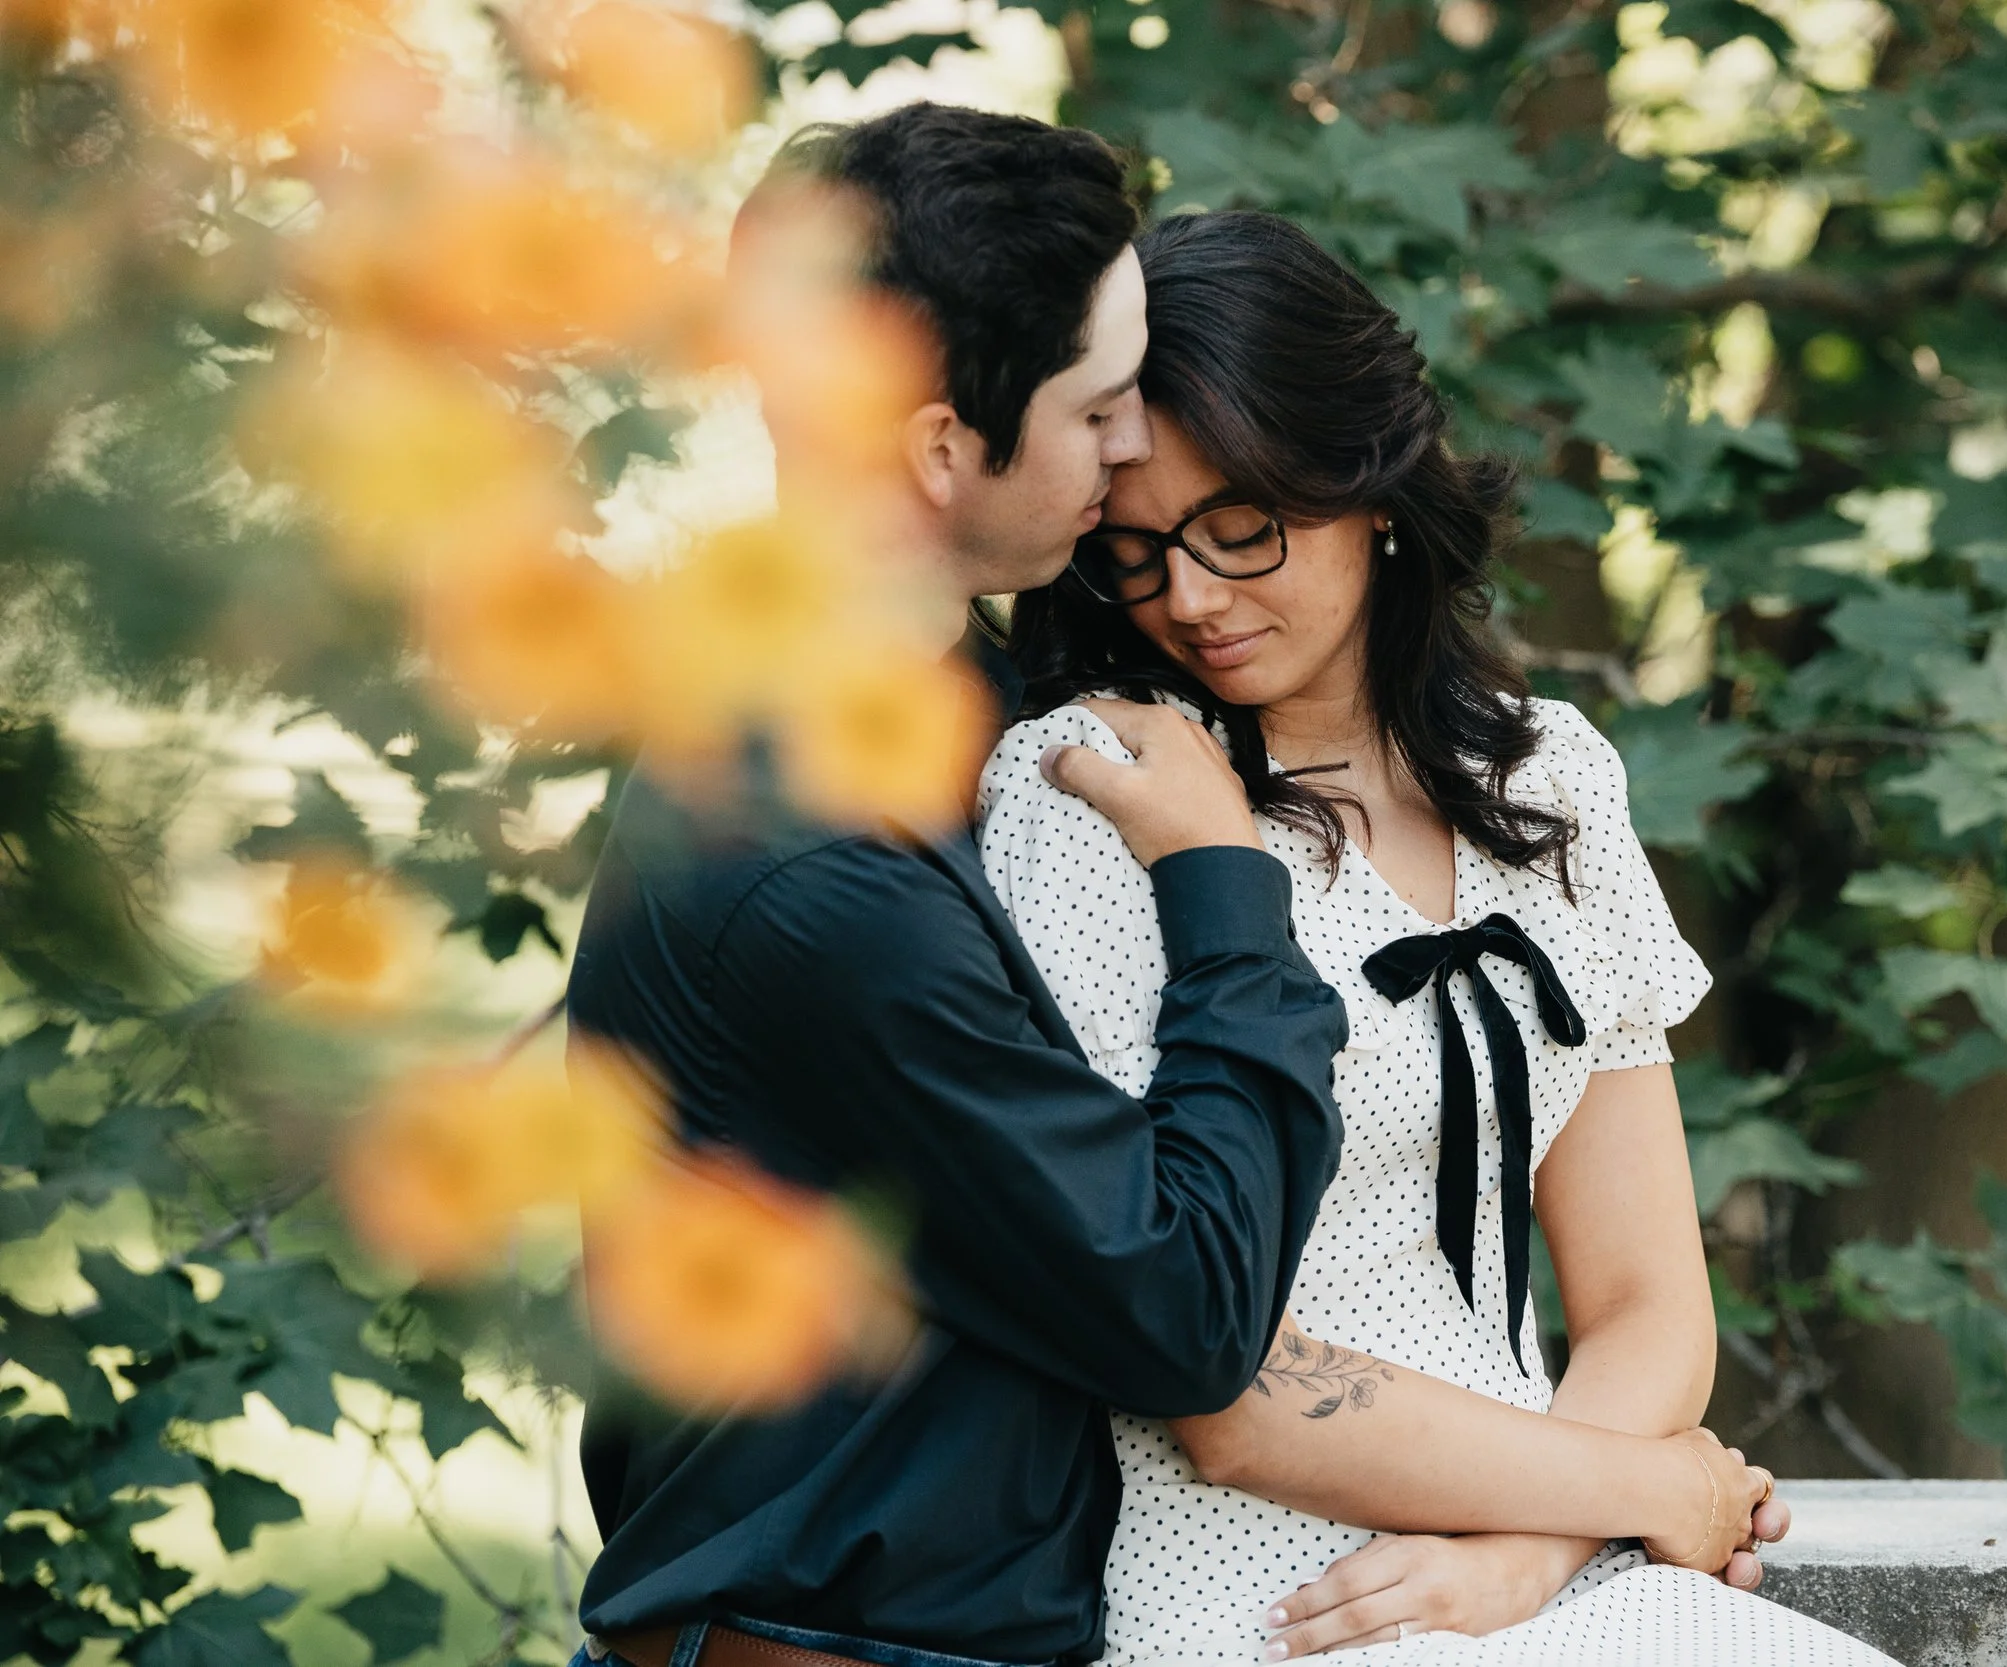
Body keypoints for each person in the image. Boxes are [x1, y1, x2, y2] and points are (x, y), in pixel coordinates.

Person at [985, 210, 1899, 1665]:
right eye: (1140, 551)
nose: (1192, 599)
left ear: (1371, 487)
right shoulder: (1098, 794)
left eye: (1239, 527)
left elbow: (1651, 1300)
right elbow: (1208, 1378)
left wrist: (1524, 1555)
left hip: (1533, 1572)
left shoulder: (1553, 779)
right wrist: (1652, 1487)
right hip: (1258, 1605)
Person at [563, 110, 1351, 1667]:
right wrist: (1221, 889)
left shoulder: (963, 704)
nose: (1137, 451)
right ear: (941, 446)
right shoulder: (803, 863)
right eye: (1104, 406)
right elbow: (1184, 1309)